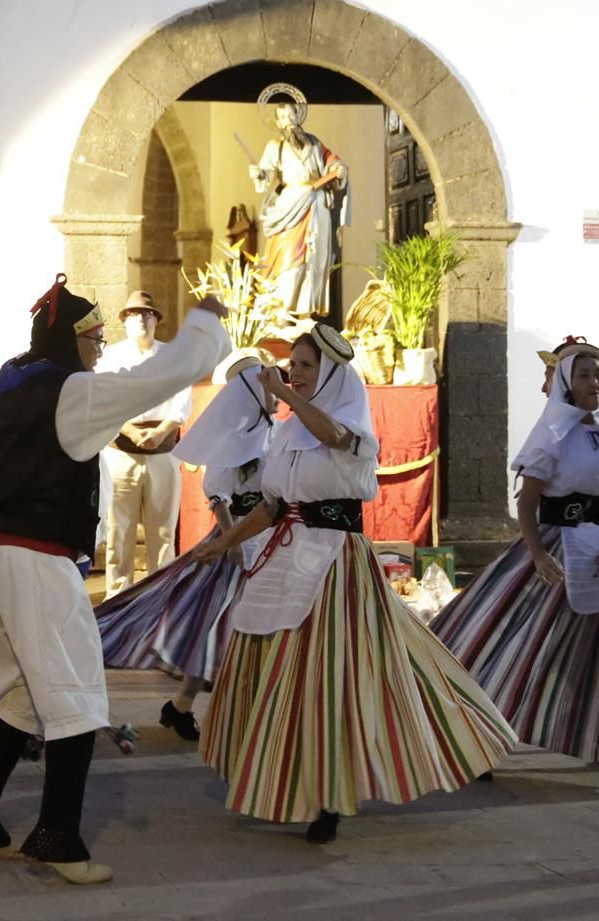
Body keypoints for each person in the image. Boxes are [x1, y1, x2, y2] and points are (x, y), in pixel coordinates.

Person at [0, 276, 230, 886]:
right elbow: (154, 382)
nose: (101, 351)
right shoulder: (72, 393)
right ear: (71, 340)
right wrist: (206, 324)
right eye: (96, 339)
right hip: (37, 562)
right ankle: (57, 838)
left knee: (17, 694)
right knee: (78, 695)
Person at [191, 326, 514, 843]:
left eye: (305, 367)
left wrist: (284, 395)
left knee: (335, 675)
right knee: (280, 664)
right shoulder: (288, 434)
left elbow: (334, 437)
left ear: (333, 376)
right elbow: (274, 507)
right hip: (287, 559)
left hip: (335, 564)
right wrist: (220, 543)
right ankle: (286, 773)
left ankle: (334, 794)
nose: (294, 373)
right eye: (292, 364)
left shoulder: (347, 425)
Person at [429, 336, 599, 782]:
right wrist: (537, 555)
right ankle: (475, 739)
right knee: (523, 649)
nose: (594, 381)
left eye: (598, 373)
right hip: (561, 550)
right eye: (584, 374)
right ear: (565, 383)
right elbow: (527, 502)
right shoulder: (552, 431)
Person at [95, 352, 275, 741]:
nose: (277, 393)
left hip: (268, 538)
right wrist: (232, 542)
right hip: (240, 543)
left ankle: (183, 705)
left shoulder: (273, 430)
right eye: (268, 386)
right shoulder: (233, 437)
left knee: (231, 627)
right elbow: (219, 495)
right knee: (225, 626)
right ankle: (211, 708)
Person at [99, 291, 193, 597]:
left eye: (147, 314)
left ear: (157, 321)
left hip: (162, 451)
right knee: (119, 530)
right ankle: (117, 595)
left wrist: (162, 431)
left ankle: (160, 596)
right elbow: (105, 400)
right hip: (121, 452)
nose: (140, 319)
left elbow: (181, 402)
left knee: (163, 531)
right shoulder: (110, 357)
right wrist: (128, 429)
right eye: (133, 314)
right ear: (124, 321)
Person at [248, 86, 348, 320]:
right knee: (288, 257)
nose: (288, 120)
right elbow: (266, 173)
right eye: (282, 117)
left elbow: (333, 163)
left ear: (298, 114)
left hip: (317, 207)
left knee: (314, 260)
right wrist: (258, 174)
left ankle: (305, 314)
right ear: (278, 122)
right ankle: (281, 313)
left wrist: (338, 170)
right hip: (291, 205)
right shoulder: (276, 147)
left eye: (291, 114)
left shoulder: (314, 144)